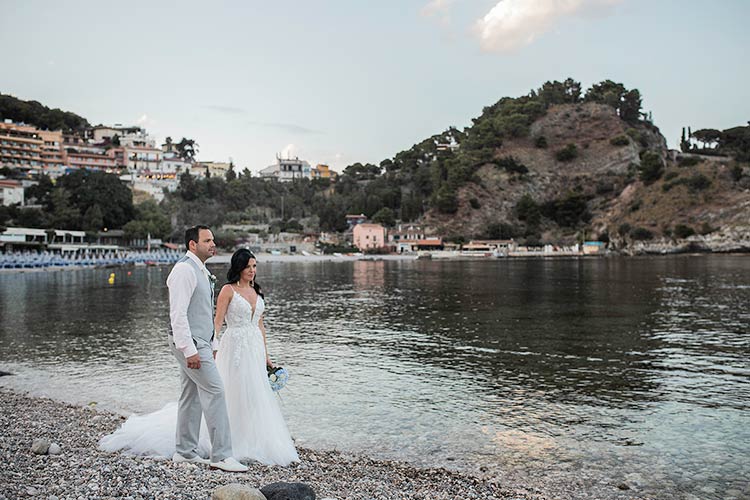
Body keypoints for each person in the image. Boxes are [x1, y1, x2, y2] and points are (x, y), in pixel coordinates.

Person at [100, 225, 247, 473]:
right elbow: (177, 314)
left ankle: (185, 452)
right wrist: (189, 350)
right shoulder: (183, 270)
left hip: (199, 341)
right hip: (189, 342)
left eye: (213, 240)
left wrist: (212, 342)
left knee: (191, 396)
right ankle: (221, 456)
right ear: (193, 244)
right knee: (216, 392)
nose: (213, 244)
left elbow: (201, 312)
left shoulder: (201, 270)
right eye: (207, 240)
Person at [213, 248, 299, 465]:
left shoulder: (257, 291)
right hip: (234, 347)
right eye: (248, 266)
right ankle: (231, 440)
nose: (252, 270)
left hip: (254, 348)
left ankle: (256, 438)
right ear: (239, 267)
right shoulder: (228, 290)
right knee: (235, 391)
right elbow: (217, 322)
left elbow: (260, 325)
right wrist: (212, 348)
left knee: (256, 393)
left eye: (254, 266)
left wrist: (266, 356)